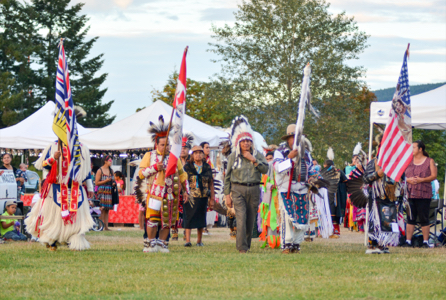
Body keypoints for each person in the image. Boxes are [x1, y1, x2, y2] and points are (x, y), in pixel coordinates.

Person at [25, 135, 95, 251]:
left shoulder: (82, 149)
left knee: (76, 217)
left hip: (76, 187)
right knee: (54, 216)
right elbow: (44, 165)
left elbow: (86, 169)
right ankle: (52, 239)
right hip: (56, 186)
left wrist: (90, 186)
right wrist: (53, 157)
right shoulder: (53, 147)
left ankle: (75, 240)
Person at [137, 115, 189, 253]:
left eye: (168, 145)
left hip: (171, 193)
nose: (166, 147)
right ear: (156, 144)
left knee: (167, 221)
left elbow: (183, 175)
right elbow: (141, 174)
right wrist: (155, 168)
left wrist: (186, 191)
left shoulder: (174, 158)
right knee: (153, 220)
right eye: (162, 144)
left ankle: (162, 244)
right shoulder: (149, 155)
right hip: (154, 193)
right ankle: (150, 244)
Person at [224, 116, 268, 253]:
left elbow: (266, 169)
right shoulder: (233, 157)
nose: (246, 143)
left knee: (250, 220)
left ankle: (246, 245)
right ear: (239, 143)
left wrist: (254, 160)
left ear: (252, 142)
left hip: (254, 189)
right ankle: (242, 248)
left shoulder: (258, 154)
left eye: (248, 141)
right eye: (243, 141)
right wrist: (227, 195)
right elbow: (227, 177)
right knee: (241, 218)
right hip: (237, 189)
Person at [273, 125, 312, 253]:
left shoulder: (306, 154)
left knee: (302, 217)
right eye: (294, 137)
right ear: (288, 139)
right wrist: (289, 157)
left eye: (298, 137)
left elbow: (310, 170)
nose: (296, 140)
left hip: (302, 189)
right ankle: (287, 244)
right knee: (287, 217)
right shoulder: (280, 152)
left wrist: (313, 179)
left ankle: (296, 243)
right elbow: (278, 168)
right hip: (286, 189)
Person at [403, 141, 437, 248]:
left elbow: (434, 176)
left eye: (413, 147)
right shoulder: (407, 161)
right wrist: (408, 180)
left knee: (424, 218)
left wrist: (422, 179)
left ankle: (425, 242)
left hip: (424, 195)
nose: (411, 150)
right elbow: (401, 176)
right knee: (410, 218)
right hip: (410, 194)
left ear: (420, 149)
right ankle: (408, 241)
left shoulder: (429, 161)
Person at [183, 146, 215, 246]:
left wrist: (212, 199)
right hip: (190, 196)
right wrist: (184, 192)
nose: (198, 155)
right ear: (192, 155)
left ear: (203, 155)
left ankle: (199, 241)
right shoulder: (188, 167)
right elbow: (183, 181)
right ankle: (188, 240)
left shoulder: (206, 167)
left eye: (200, 153)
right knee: (189, 217)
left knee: (201, 218)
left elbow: (211, 183)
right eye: (196, 153)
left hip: (203, 196)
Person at [171, 132, 194, 241]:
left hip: (190, 190)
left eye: (185, 148)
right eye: (181, 147)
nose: (183, 150)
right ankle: (174, 231)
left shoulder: (192, 163)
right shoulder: (174, 162)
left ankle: (186, 231)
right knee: (175, 210)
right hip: (176, 189)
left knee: (188, 211)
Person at [95, 156, 115, 231]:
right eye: (109, 160)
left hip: (109, 190)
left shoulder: (111, 170)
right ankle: (100, 226)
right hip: (102, 190)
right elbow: (97, 182)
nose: (111, 161)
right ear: (105, 161)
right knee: (102, 209)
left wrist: (113, 183)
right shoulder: (100, 170)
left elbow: (113, 180)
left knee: (107, 209)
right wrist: (106, 181)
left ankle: (106, 227)